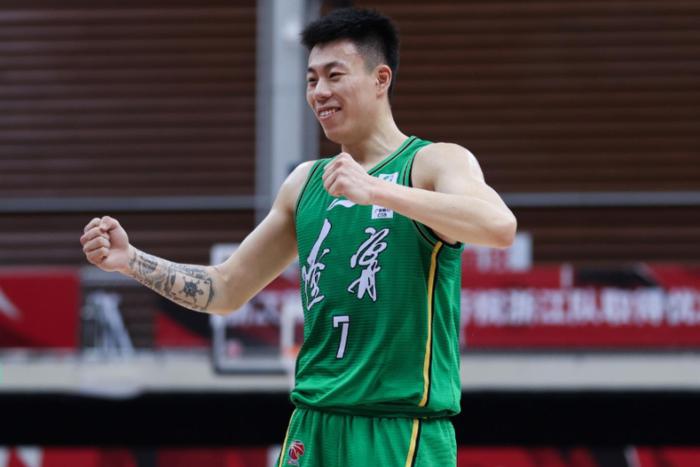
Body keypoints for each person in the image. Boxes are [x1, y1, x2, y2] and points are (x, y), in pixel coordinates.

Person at [80, 7, 516, 466]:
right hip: (311, 426)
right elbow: (225, 289)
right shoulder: (305, 183)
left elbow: (498, 226)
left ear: (380, 79)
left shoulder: (433, 162)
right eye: (311, 80)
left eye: (334, 75)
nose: (319, 92)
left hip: (398, 430)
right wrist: (131, 261)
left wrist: (377, 191)